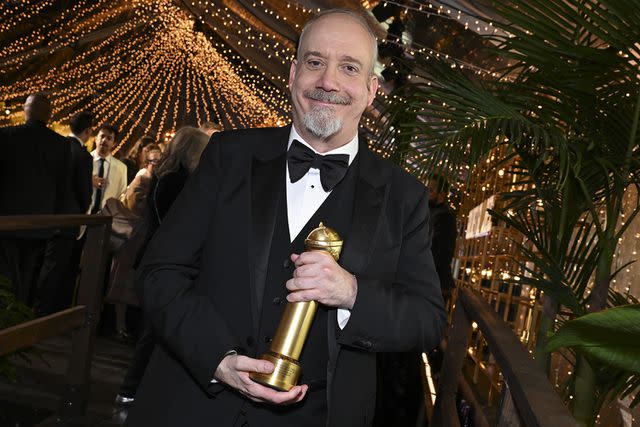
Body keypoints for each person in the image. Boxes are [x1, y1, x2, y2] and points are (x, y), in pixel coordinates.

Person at [125, 9, 445, 427]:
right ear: (293, 73)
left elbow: (427, 320)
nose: (328, 81)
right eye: (315, 62)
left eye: (348, 68)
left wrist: (351, 293)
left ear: (371, 90)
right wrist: (217, 358)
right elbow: (159, 270)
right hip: (189, 404)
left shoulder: (405, 197)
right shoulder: (228, 156)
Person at [113, 127, 209, 415]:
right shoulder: (177, 180)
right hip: (165, 263)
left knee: (158, 330)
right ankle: (130, 390)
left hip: (160, 259)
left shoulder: (169, 177)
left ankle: (135, 389)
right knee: (156, 330)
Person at [0, 93, 72, 306]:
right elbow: (64, 186)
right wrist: (57, 221)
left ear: (25, 110)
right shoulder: (61, 144)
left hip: (6, 219)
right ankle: (21, 314)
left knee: (5, 274)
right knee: (29, 274)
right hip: (41, 222)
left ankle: (7, 317)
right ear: (49, 115)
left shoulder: (6, 135)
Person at [36, 111, 94, 315]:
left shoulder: (54, 146)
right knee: (57, 269)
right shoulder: (83, 156)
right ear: (88, 131)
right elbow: (85, 193)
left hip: (43, 215)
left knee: (40, 265)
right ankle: (45, 315)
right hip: (67, 219)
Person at [427, 174, 457, 303]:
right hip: (430, 281)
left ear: (442, 194)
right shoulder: (431, 212)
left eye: (431, 190)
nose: (427, 193)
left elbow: (442, 254)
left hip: (434, 285)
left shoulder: (445, 217)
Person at [89, 124, 128, 215]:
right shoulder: (85, 159)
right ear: (96, 138)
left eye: (109, 138)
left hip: (105, 217)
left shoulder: (121, 168)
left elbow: (121, 195)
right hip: (82, 214)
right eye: (102, 136)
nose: (104, 140)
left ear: (114, 143)